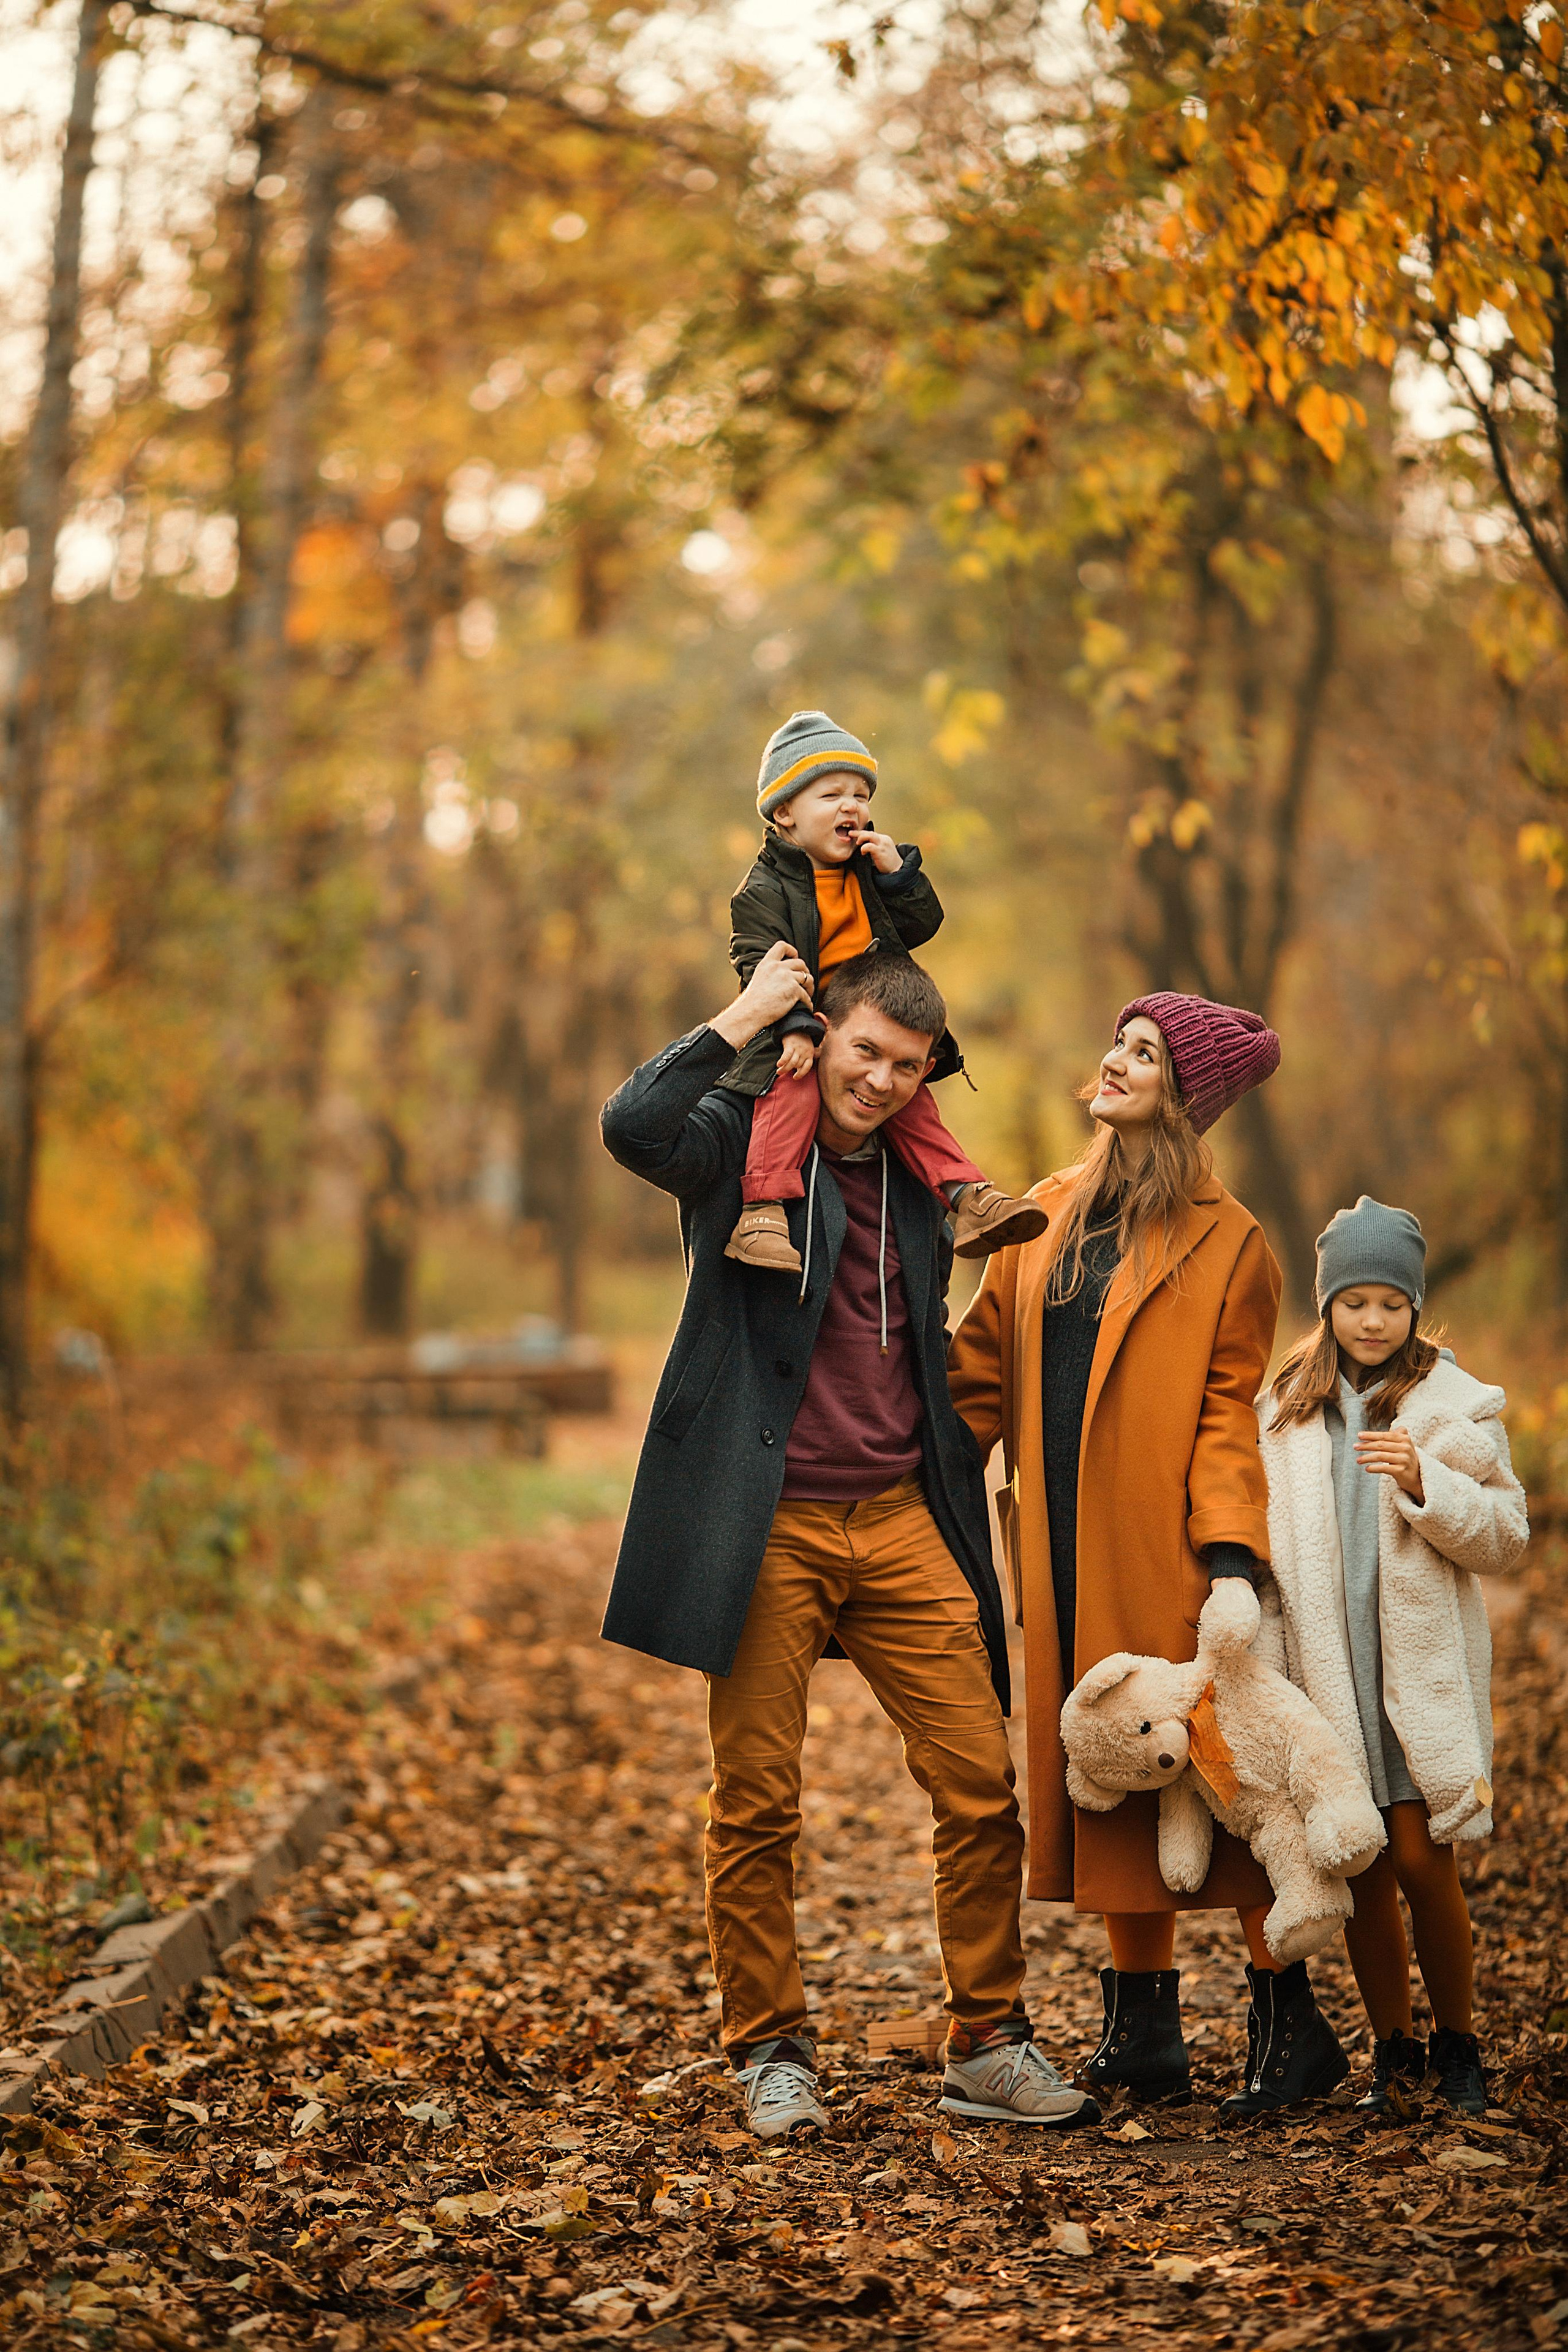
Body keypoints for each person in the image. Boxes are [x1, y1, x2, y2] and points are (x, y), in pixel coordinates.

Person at [598, 939, 1096, 2139]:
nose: (878, 1081)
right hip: (764, 1524)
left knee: (981, 1786)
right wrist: (751, 1014)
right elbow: (631, 1123)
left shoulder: (931, 1180)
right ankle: (767, 2048)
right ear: (824, 1042)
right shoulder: (738, 1147)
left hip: (897, 1518)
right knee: (757, 1801)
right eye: (864, 1051)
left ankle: (986, 2040)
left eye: (906, 1066)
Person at [948, 991, 1344, 2115]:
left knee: (1219, 1785)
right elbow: (976, 1374)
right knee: (1108, 1770)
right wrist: (879, 1436)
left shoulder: (1234, 1244)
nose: (1114, 1062)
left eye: (1145, 1053)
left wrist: (1230, 1557)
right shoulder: (1044, 1212)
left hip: (1170, 1554)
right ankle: (1142, 2032)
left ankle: (1291, 2023)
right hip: (1062, 1548)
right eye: (1118, 1042)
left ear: (1189, 1095)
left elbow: (1229, 1412)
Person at [1256, 1197, 1528, 2118]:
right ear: (1327, 1304)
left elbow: (1507, 1536)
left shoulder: (1454, 1407)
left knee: (1423, 1863)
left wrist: (1427, 1484)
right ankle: (1394, 2049)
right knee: (1364, 1869)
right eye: (1355, 1302)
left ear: (1416, 1308)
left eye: (1391, 1304)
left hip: (1418, 1680)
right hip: (1330, 1677)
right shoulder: (1288, 1410)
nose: (1373, 1321)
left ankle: (1460, 2044)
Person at [720, 709, 1045, 1272]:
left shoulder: (868, 869)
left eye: (861, 794)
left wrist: (899, 877)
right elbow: (762, 968)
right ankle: (762, 1212)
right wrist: (794, 1028)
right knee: (789, 1090)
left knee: (913, 1101)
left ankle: (969, 1198)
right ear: (784, 813)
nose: (853, 807)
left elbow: (921, 927)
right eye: (832, 795)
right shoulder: (762, 890)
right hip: (800, 1022)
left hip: (874, 1018)